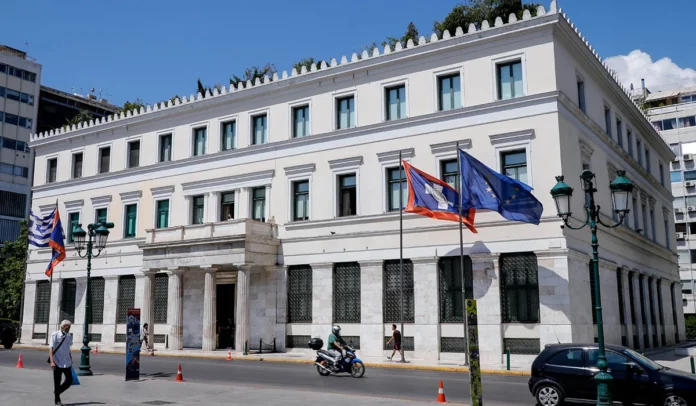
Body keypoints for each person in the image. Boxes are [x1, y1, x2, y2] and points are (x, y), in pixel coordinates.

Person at [49, 320, 73, 406]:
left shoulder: (69, 336)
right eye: (66, 327)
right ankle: (57, 400)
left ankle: (57, 391)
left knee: (69, 380)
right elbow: (51, 348)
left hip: (67, 362)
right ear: (62, 327)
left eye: (69, 327)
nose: (68, 328)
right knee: (57, 381)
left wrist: (70, 357)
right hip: (57, 362)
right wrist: (52, 361)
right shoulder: (55, 335)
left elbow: (68, 348)